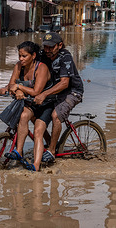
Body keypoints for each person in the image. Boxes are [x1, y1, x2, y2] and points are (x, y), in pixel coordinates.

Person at [0, 41, 53, 171]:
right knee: (23, 116)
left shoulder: (42, 68)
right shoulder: (19, 66)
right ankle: (18, 151)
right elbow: (12, 85)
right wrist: (13, 89)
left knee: (38, 132)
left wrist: (18, 87)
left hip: (46, 103)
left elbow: (36, 92)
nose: (21, 59)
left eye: (24, 56)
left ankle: (36, 165)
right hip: (31, 103)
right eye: (19, 56)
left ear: (33, 55)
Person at [34, 32, 84, 163]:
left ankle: (51, 151)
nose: (47, 50)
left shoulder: (65, 57)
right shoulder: (42, 55)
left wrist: (44, 94)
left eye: (51, 47)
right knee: (33, 112)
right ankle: (50, 141)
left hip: (72, 92)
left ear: (60, 45)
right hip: (53, 92)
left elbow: (64, 83)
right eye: (45, 47)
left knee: (56, 116)